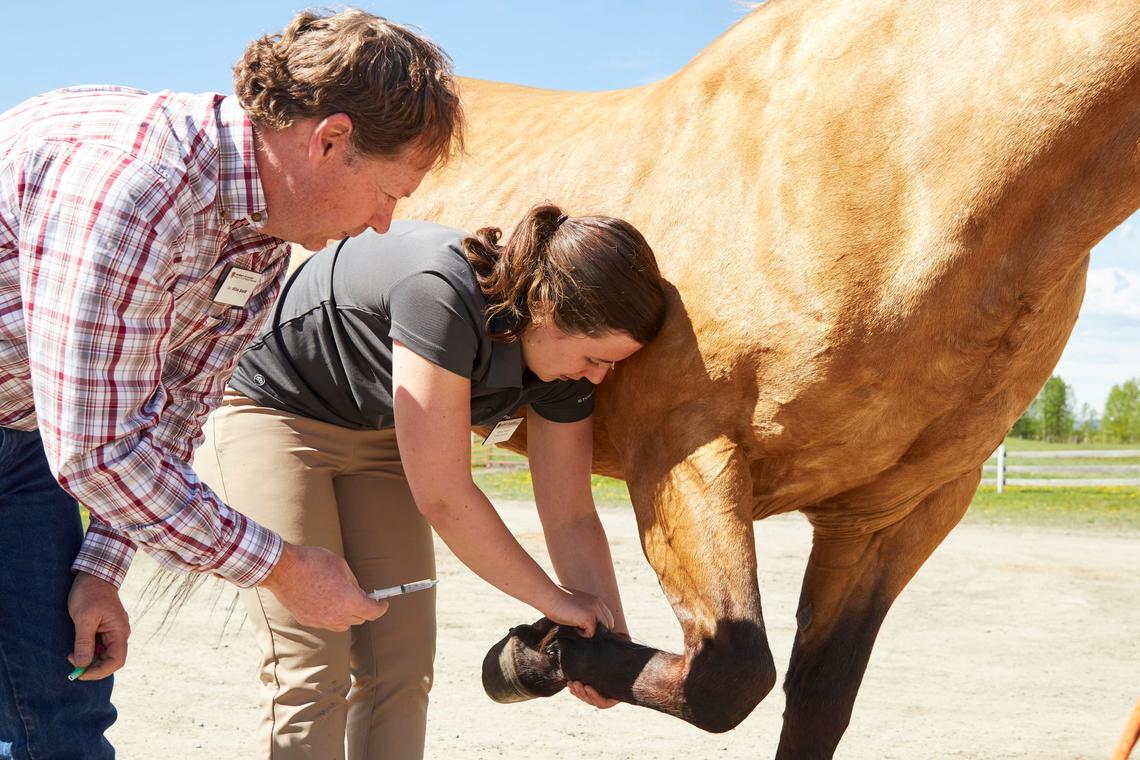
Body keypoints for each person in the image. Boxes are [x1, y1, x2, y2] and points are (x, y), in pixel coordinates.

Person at [0, 9, 463, 758]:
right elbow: (95, 452)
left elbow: (175, 411)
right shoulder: (135, 190)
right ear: (330, 140)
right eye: (389, 191)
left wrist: (100, 566)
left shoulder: (260, 246)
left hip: (25, 445)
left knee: (61, 711)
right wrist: (281, 568)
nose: (385, 223)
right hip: (55, 444)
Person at [190, 204, 667, 759]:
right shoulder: (440, 293)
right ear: (546, 309)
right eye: (593, 357)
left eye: (610, 364)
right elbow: (444, 497)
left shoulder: (564, 366)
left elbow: (571, 514)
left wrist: (609, 642)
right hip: (273, 412)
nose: (598, 376)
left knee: (402, 666)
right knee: (311, 670)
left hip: (377, 433)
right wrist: (556, 601)